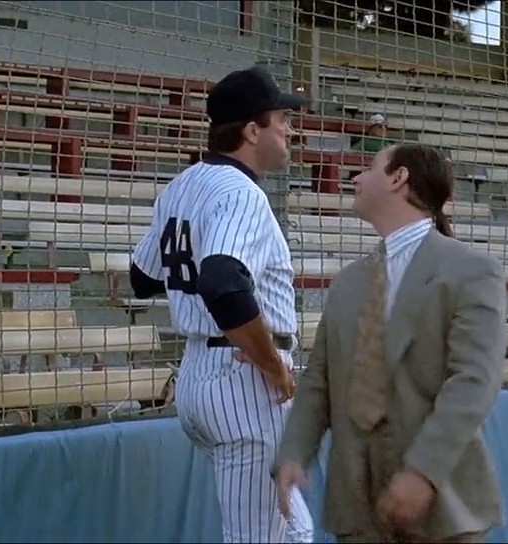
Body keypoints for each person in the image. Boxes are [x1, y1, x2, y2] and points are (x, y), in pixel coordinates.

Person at [271, 143, 508, 543]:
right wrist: (294, 451)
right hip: (357, 507)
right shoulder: (347, 283)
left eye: (369, 168)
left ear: (399, 178)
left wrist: (423, 471)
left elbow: (474, 382)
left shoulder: (470, 271)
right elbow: (319, 380)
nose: (357, 178)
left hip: (442, 506)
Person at [127, 65, 313, 543]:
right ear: (252, 130)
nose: (290, 130)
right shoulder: (240, 192)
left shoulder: (182, 185)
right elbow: (222, 280)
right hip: (243, 379)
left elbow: (142, 277)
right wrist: (270, 363)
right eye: (281, 119)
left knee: (294, 530)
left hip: (200, 373)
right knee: (258, 538)